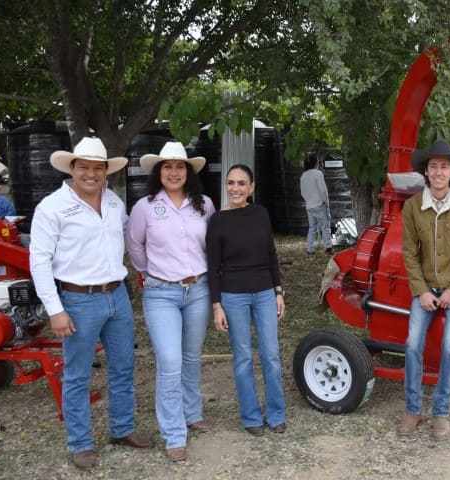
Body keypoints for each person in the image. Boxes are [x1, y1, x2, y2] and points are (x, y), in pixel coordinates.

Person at [29, 137, 152, 470]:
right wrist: (55, 309)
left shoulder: (114, 202)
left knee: (124, 367)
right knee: (77, 375)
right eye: (84, 167)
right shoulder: (52, 207)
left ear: (106, 172)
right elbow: (39, 260)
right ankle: (81, 443)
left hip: (117, 295)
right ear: (71, 168)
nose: (91, 174)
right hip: (78, 299)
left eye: (98, 168)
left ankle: (122, 428)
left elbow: (127, 239)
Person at [125, 142, 215, 462]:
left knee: (191, 357)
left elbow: (212, 245)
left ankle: (192, 413)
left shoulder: (204, 204)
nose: (174, 172)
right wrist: (152, 273)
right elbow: (135, 246)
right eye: (167, 167)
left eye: (180, 167)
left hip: (199, 290)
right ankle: (175, 433)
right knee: (170, 361)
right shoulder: (145, 207)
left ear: (188, 172)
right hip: (161, 293)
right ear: (158, 172)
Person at [397, 139, 450, 442]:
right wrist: (421, 290)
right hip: (424, 289)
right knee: (412, 344)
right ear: (426, 171)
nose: (437, 172)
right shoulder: (413, 206)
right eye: (432, 166)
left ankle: (441, 412)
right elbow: (408, 252)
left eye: (443, 167)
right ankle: (413, 408)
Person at [206, 164, 287, 436]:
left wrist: (278, 292)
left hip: (265, 292)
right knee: (242, 357)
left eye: (242, 183)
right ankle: (251, 417)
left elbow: (271, 254)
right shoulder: (217, 220)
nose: (236, 188)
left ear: (251, 187)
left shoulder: (261, 213)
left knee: (271, 355)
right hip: (233, 295)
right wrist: (216, 305)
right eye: (231, 183)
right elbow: (212, 266)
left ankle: (276, 414)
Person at [300, 155, 332, 255]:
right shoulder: (318, 174)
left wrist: (308, 200)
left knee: (312, 228)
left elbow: (303, 193)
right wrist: (326, 201)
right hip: (319, 204)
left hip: (309, 205)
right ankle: (328, 248)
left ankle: (310, 249)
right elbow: (323, 190)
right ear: (315, 163)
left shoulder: (303, 175)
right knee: (325, 226)